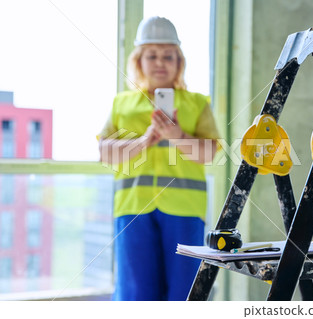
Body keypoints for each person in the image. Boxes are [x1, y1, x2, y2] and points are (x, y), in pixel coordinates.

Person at [97, 16, 220, 301]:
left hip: (185, 211)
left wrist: (177, 135)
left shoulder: (197, 104)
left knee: (185, 292)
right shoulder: (121, 104)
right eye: (151, 55)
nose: (160, 63)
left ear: (179, 62)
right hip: (132, 211)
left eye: (168, 56)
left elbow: (209, 153)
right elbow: (105, 153)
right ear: (138, 61)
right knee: (135, 292)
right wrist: (144, 141)